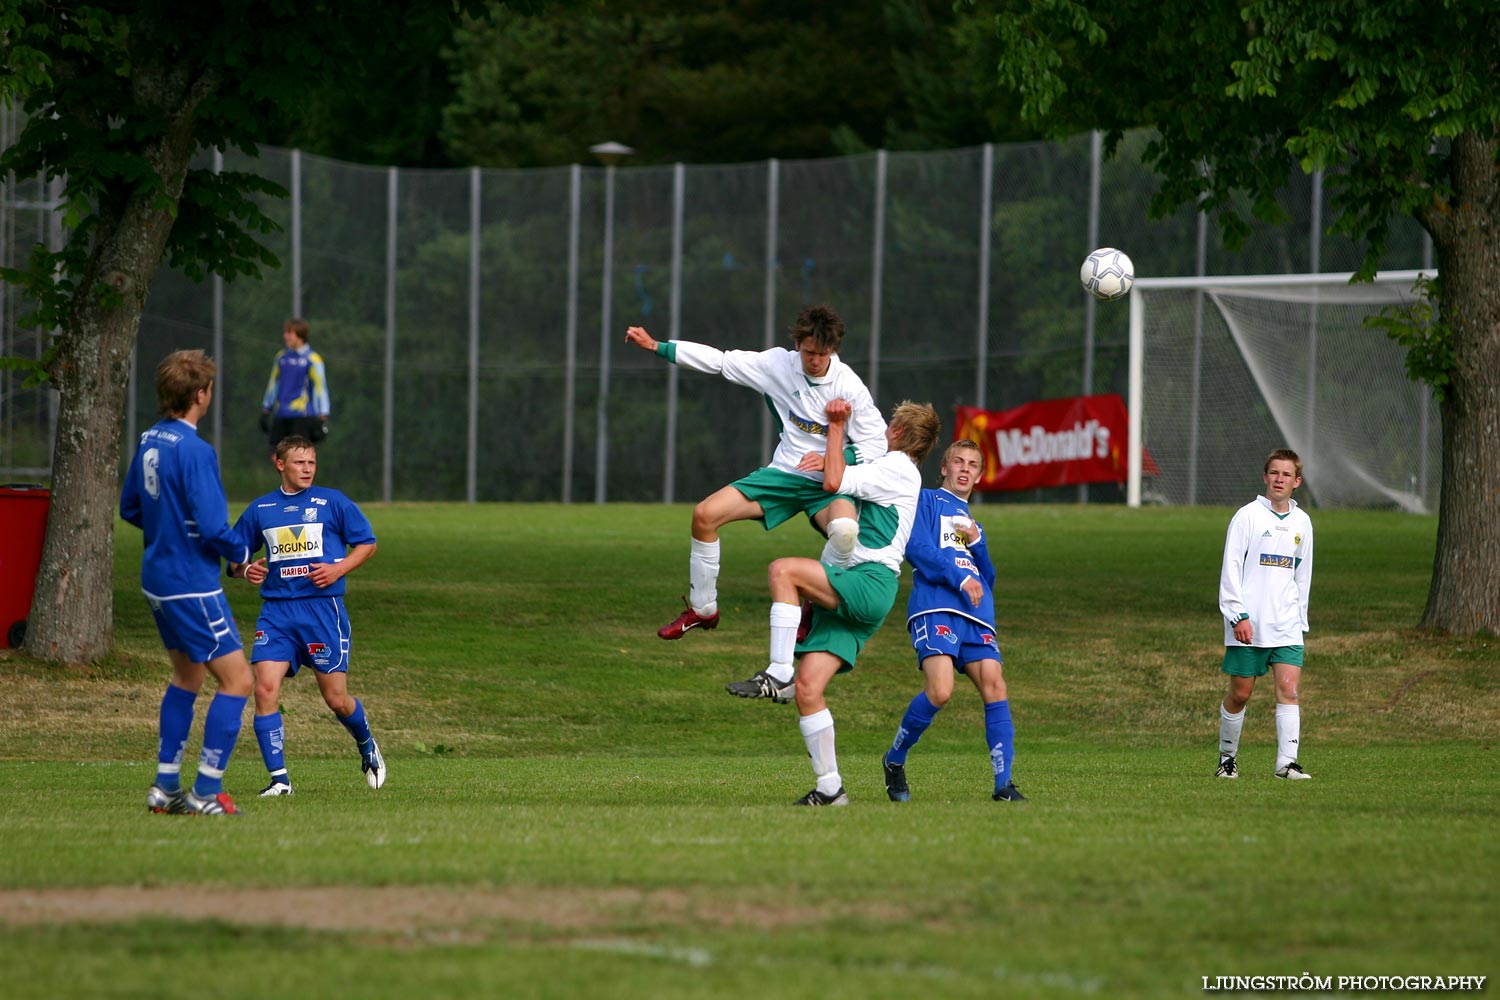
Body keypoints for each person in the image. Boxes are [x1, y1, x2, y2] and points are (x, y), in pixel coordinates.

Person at [623, 305, 888, 644]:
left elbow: (878, 443)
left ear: (833, 350)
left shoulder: (848, 385)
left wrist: (834, 458)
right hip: (784, 475)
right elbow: (720, 362)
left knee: (845, 531)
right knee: (704, 515)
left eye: (822, 354)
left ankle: (814, 604)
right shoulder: (777, 365)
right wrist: (658, 346)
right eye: (808, 352)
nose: (815, 360)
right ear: (798, 346)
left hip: (827, 485)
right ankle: (703, 610)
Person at [728, 396, 939, 805]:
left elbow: (835, 483)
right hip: (866, 588)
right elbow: (841, 472)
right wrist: (828, 457)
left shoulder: (897, 468)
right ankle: (830, 789)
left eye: (889, 424)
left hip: (867, 581)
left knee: (782, 571)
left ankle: (777, 671)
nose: (884, 428)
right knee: (809, 690)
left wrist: (836, 426)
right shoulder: (895, 469)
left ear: (896, 433)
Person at [120, 350, 254, 817]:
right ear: (201, 395)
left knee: (188, 675)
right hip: (191, 584)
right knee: (239, 680)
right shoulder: (196, 451)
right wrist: (240, 555)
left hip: (157, 578)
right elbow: (217, 528)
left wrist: (169, 532)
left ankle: (165, 788)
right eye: (210, 388)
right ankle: (206, 792)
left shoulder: (150, 439)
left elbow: (131, 508)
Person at [228, 436, 384, 795]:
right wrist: (245, 569)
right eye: (300, 463)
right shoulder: (261, 509)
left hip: (322, 611)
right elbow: (235, 558)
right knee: (265, 688)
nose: (308, 468)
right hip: (277, 614)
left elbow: (367, 544)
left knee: (336, 700)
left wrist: (338, 569)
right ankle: (280, 780)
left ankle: (366, 744)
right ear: (279, 464)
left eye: (312, 462)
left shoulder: (332, 502)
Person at [880, 439, 1025, 803]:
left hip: (976, 617)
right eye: (957, 462)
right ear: (944, 468)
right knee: (941, 690)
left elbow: (987, 579)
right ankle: (894, 760)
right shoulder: (925, 500)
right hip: (936, 606)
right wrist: (958, 577)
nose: (964, 468)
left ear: (978, 476)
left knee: (995, 685)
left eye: (972, 465)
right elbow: (916, 546)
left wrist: (978, 545)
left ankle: (1003, 785)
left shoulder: (974, 523)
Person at [1215, 448, 1315, 780]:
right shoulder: (1247, 517)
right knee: (1240, 694)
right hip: (1248, 624)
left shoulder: (1302, 522)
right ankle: (1227, 759)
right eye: (1274, 473)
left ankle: (1286, 763)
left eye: (1286, 475)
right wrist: (1237, 615)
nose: (1279, 479)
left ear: (1296, 482)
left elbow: (1302, 573)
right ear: (1265, 477)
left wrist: (1300, 619)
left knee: (1289, 691)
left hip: (1286, 624)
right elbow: (1230, 569)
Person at [260, 317, 330, 455]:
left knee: (298, 455)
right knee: (276, 454)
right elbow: (273, 384)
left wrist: (322, 414)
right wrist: (266, 409)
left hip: (302, 415)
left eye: (289, 332)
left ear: (300, 334)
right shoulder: (281, 357)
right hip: (281, 413)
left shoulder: (313, 359)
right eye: (285, 332)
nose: (285, 336)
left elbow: (320, 388)